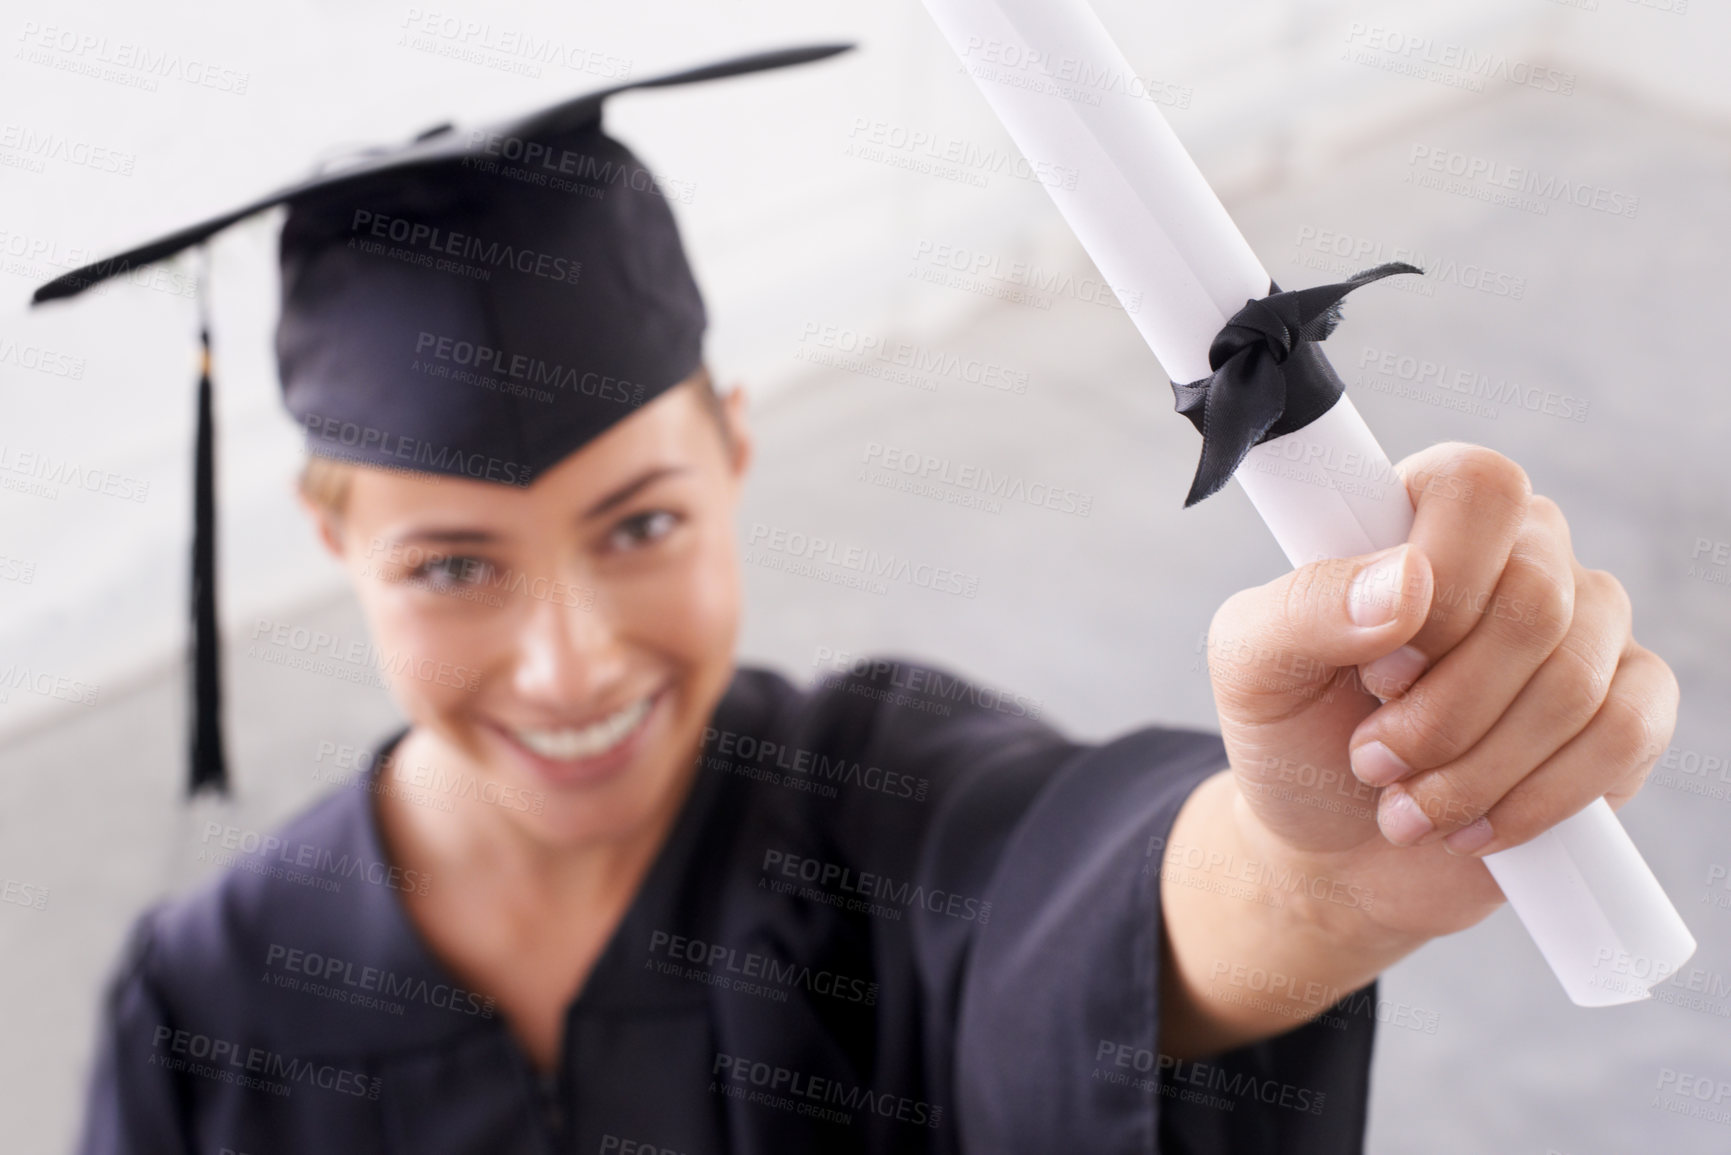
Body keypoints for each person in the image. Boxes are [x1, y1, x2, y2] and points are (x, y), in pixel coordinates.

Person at [41, 44, 1678, 1155]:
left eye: (639, 524)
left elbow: (1087, 905)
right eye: (452, 566)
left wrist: (1326, 874)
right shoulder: (210, 1006)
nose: (568, 660)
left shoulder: (874, 809)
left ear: (735, 449)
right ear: (336, 544)